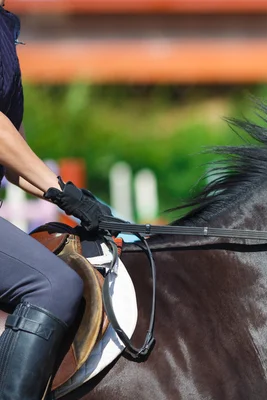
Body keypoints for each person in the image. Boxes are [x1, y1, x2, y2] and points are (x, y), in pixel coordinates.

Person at [0, 3, 113, 399]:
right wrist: (62, 193)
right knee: (54, 285)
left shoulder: (5, 26)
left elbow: (14, 158)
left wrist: (75, 198)